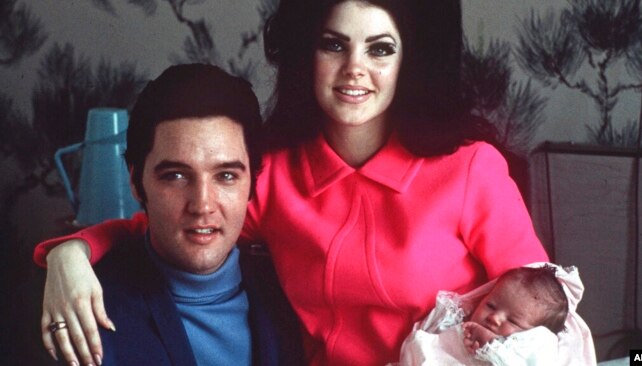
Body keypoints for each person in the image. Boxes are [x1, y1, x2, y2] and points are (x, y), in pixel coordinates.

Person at [34, 1, 553, 364]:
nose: (354, 69)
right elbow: (161, 223)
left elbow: (545, 312)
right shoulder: (274, 175)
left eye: (379, 49)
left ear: (408, 61)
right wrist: (69, 255)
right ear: (308, 53)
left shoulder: (471, 170)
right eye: (334, 45)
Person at [40, 64, 303, 366]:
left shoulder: (289, 288)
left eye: (226, 176)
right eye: (176, 176)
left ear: (252, 183)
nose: (202, 205)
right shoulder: (85, 307)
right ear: (137, 183)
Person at [397, 263, 582, 365]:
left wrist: (491, 346)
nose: (494, 318)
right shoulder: (460, 323)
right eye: (491, 305)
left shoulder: (538, 350)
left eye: (513, 320)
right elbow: (429, 344)